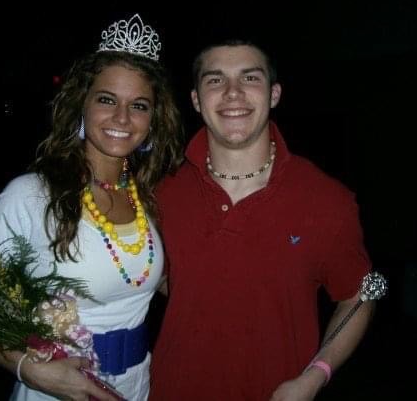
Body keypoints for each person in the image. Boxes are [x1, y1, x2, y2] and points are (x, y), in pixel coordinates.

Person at [149, 40, 375, 400]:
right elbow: (154, 278)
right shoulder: (163, 192)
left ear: (274, 94)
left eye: (250, 78)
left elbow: (359, 295)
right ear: (196, 100)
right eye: (215, 80)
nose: (233, 93)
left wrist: (315, 376)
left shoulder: (327, 199)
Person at [0, 14, 183, 401]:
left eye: (139, 105)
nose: (122, 118)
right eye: (107, 100)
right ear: (80, 106)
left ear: (153, 121)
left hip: (137, 386)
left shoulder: (149, 199)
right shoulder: (31, 196)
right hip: (57, 391)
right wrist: (32, 371)